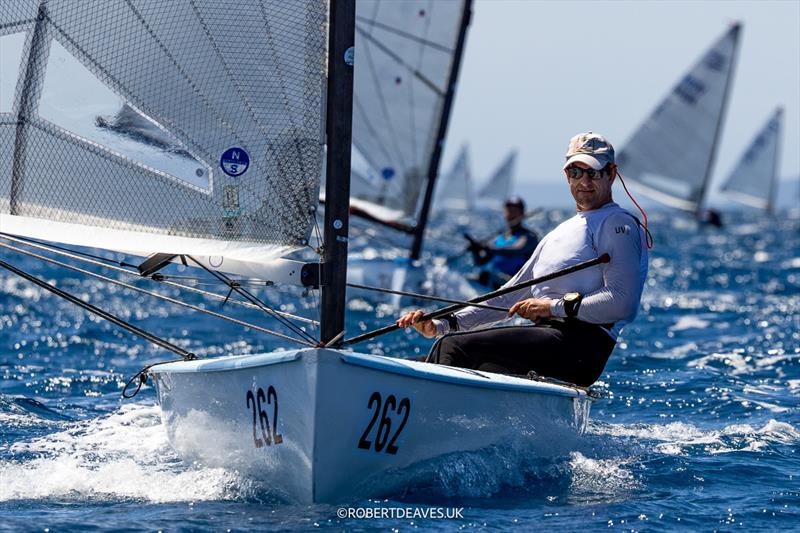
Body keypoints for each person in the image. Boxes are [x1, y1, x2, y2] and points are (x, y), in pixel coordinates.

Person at [397, 132, 649, 387]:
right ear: (566, 175)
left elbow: (622, 302)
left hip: (580, 346)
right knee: (419, 360)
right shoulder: (560, 233)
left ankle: (430, 421)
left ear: (611, 173)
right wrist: (442, 324)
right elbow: (509, 295)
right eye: (576, 172)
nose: (584, 181)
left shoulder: (617, 223)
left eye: (593, 172)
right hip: (547, 338)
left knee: (451, 349)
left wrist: (552, 307)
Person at [464, 196, 539, 289]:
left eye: (515, 211)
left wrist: (486, 247)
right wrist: (475, 250)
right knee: (467, 279)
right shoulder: (499, 238)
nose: (511, 215)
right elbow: (481, 261)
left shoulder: (529, 237)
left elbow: (514, 250)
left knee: (487, 276)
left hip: (516, 283)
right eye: (509, 211)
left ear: (522, 214)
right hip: (495, 281)